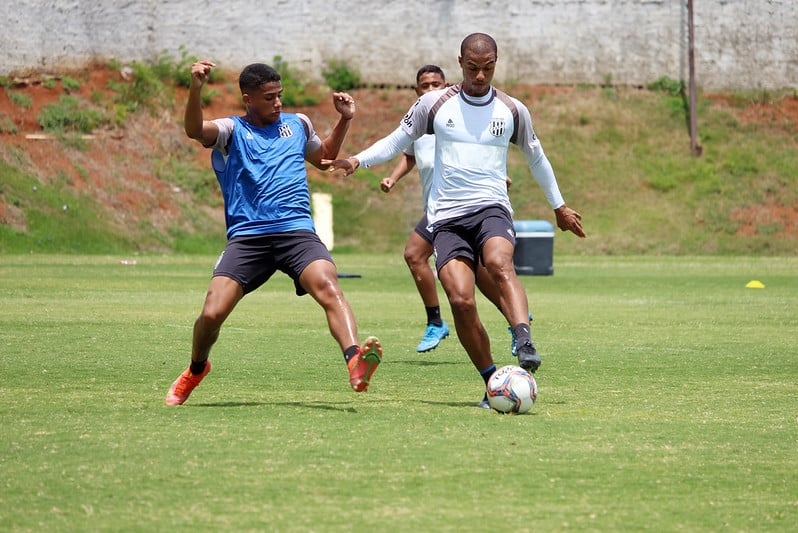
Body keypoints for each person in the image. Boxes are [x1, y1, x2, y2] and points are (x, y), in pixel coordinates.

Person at [324, 33, 585, 407]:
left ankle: (523, 337)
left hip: (491, 207)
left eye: (488, 68)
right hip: (446, 217)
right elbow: (398, 140)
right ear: (460, 62)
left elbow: (536, 158)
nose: (480, 76)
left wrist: (558, 207)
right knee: (461, 300)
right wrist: (356, 160)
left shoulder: (512, 110)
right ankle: (490, 380)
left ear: (496, 62)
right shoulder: (434, 104)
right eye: (473, 68)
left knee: (498, 262)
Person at [165, 60, 382, 406]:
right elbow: (194, 130)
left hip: (296, 233)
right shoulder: (231, 130)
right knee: (212, 313)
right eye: (269, 98)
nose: (278, 103)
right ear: (248, 98)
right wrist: (196, 88)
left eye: (280, 95)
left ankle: (355, 359)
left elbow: (324, 157)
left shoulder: (298, 124)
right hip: (248, 238)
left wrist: (344, 119)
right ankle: (196, 369)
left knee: (328, 284)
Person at [380, 64, 523, 355]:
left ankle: (504, 320)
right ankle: (512, 317)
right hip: (439, 210)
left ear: (448, 86)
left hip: (463, 207)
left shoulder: (457, 117)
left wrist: (496, 178)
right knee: (468, 270)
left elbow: (484, 152)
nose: (431, 90)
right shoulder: (419, 121)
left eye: (437, 84)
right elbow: (408, 155)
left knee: (430, 257)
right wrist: (392, 178)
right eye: (425, 85)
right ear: (417, 90)